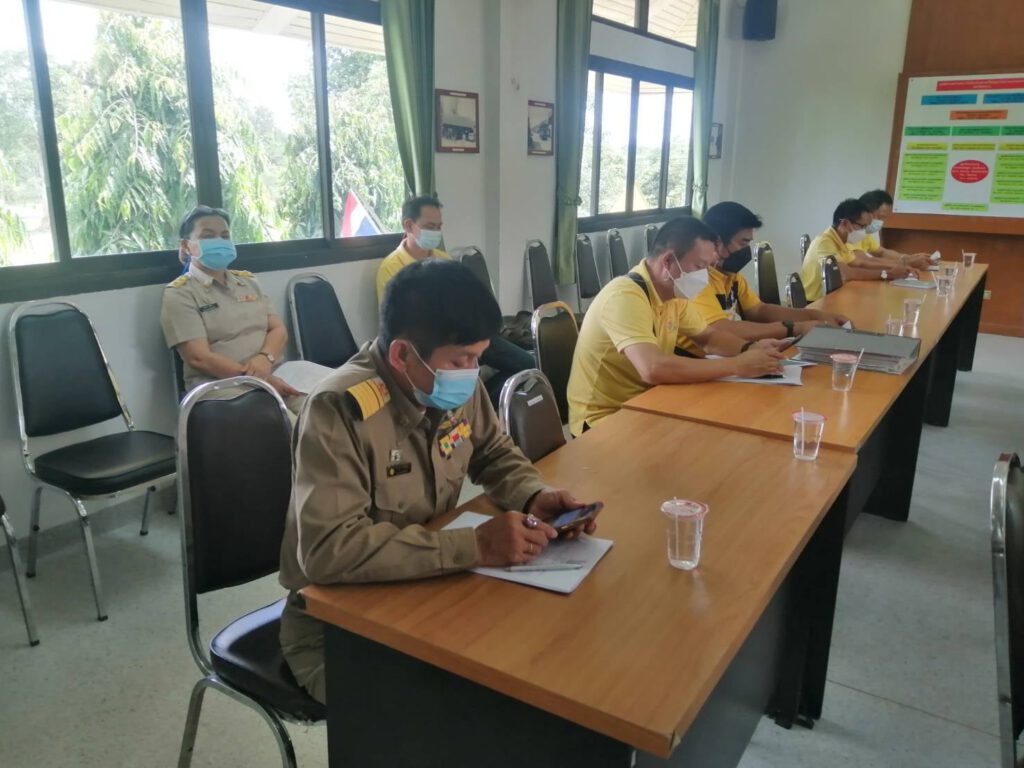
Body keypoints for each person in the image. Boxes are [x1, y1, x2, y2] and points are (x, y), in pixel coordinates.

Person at [279, 259, 594, 704]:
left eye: (478, 356)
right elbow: (328, 551)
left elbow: (493, 452)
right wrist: (474, 546)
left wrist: (533, 495)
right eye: (461, 359)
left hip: (431, 586)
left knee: (543, 657)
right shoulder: (339, 410)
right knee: (461, 706)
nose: (472, 370)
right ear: (401, 355)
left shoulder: (450, 378)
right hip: (338, 625)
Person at [566, 216, 785, 437]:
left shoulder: (673, 293)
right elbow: (652, 368)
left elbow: (709, 338)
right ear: (668, 261)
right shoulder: (624, 296)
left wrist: (751, 349)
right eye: (699, 266)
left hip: (648, 402)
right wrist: (737, 365)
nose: (705, 277)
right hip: (603, 420)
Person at [376, 195, 534, 406]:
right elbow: (400, 323)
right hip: (439, 342)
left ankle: (481, 400)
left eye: (438, 227)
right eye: (429, 226)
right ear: (409, 225)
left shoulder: (443, 260)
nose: (435, 232)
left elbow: (465, 303)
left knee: (527, 364)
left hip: (469, 336)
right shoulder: (392, 268)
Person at [160, 205, 302, 407]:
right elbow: (199, 358)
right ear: (186, 246)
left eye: (225, 236)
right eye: (208, 236)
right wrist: (260, 379)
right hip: (224, 387)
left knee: (331, 401)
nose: (219, 241)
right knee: (298, 421)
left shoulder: (249, 282)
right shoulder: (180, 293)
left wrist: (265, 358)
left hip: (274, 373)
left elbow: (278, 329)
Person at [690, 201, 851, 344]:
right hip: (701, 361)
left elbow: (759, 310)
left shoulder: (732, 276)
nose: (746, 250)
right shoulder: (697, 279)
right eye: (742, 243)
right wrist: (794, 328)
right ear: (717, 240)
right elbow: (720, 328)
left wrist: (816, 316)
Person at [799, 198, 916, 303]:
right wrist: (886, 274)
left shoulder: (841, 242)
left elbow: (861, 263)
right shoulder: (824, 242)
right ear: (845, 223)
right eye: (862, 226)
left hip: (833, 296)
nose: (865, 231)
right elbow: (845, 273)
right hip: (815, 302)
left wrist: (899, 266)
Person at [857, 189, 932, 270]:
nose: (881, 222)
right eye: (880, 217)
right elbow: (863, 263)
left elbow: (881, 252)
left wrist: (908, 258)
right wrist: (906, 262)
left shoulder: (865, 233)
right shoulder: (850, 233)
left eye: (884, 218)